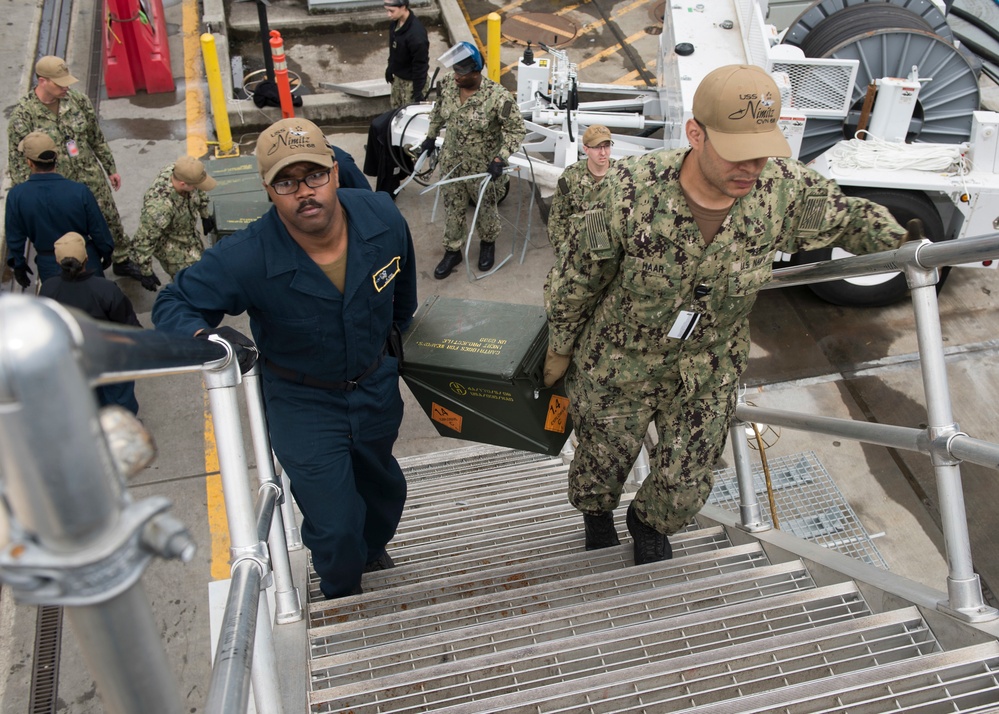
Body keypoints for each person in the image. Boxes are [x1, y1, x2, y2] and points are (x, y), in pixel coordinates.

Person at [543, 64, 916, 566]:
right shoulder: (628, 191)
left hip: (708, 362)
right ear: (694, 134)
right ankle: (598, 518)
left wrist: (904, 242)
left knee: (687, 479)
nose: (752, 167)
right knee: (599, 462)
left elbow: (844, 217)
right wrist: (559, 347)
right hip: (619, 359)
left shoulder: (781, 190)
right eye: (737, 153)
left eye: (762, 153)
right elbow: (577, 274)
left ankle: (648, 522)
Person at [152, 118, 418, 599]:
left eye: (313, 175)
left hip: (374, 386)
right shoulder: (248, 255)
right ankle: (343, 593)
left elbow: (403, 302)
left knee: (383, 495)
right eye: (286, 182)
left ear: (335, 172)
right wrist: (206, 338)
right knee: (334, 525)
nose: (304, 192)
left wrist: (390, 360)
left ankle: (373, 546)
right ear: (269, 189)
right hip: (303, 402)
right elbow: (173, 304)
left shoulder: (383, 219)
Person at [7, 56, 141, 279]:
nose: (66, 87)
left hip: (90, 176)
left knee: (109, 219)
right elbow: (19, 163)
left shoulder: (77, 101)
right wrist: (31, 198)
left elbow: (95, 137)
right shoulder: (23, 117)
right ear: (42, 81)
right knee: (66, 233)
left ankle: (122, 258)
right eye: (60, 83)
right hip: (59, 189)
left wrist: (110, 168)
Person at [419, 42, 526, 278]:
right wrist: (430, 136)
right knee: (453, 206)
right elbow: (438, 111)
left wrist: (501, 158)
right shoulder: (448, 85)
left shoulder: (498, 98)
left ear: (476, 73)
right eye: (455, 71)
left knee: (486, 207)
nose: (456, 77)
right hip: (452, 162)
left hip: (483, 168)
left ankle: (488, 244)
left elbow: (516, 130)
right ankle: (453, 249)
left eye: (462, 73)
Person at [39, 232, 141, 414]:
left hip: (76, 362)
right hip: (111, 359)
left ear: (57, 262)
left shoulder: (48, 289)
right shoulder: (106, 290)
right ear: (86, 258)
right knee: (120, 402)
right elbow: (129, 326)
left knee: (87, 403)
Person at [5, 132, 115, 286]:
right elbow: (99, 230)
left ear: (29, 163)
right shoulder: (79, 191)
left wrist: (19, 265)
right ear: (56, 159)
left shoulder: (16, 196)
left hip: (49, 266)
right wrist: (105, 253)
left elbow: (15, 237)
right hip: (85, 259)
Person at [131, 156, 219, 291]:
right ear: (183, 184)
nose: (197, 188)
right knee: (190, 279)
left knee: (201, 264)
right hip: (170, 243)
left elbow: (198, 188)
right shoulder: (159, 207)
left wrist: (204, 214)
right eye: (195, 186)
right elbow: (143, 240)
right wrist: (145, 271)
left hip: (187, 231)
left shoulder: (182, 171)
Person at [547, 124, 616, 256]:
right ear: (586, 149)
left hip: (614, 250)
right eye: (597, 147)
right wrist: (563, 253)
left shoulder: (622, 173)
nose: (603, 152)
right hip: (581, 250)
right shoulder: (571, 176)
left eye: (606, 146)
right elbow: (557, 219)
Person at [384, 0, 429, 109]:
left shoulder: (416, 36)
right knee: (395, 114)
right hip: (398, 79)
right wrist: (390, 67)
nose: (388, 15)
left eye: (391, 11)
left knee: (409, 117)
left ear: (403, 7)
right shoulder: (395, 24)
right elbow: (394, 49)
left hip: (412, 83)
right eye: (387, 10)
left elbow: (420, 65)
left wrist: (418, 92)